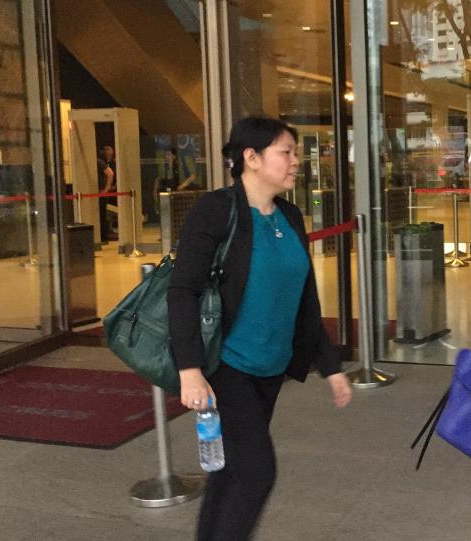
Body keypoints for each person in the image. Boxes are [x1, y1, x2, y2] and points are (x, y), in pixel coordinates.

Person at [168, 116, 353, 541]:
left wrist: (331, 365)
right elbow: (183, 291)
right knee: (256, 474)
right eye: (285, 152)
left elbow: (304, 300)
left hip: (269, 367)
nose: (295, 162)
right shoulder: (217, 210)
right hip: (225, 366)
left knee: (232, 472)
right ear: (250, 158)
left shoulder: (288, 214)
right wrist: (190, 369)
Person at [97, 145, 117, 242]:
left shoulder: (98, 162)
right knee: (101, 214)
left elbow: (110, 173)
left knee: (102, 214)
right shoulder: (100, 162)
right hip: (100, 192)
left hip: (102, 192)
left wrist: (106, 189)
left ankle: (104, 235)